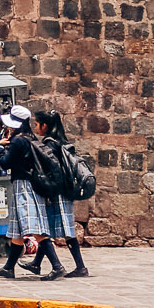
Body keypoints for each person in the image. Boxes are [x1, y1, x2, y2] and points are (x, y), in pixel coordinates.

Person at [0, 106, 66, 281]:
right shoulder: (29, 139)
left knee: (34, 227)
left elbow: (6, 163)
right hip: (27, 184)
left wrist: (0, 149)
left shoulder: (18, 141)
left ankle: (57, 266)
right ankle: (9, 268)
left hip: (23, 186)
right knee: (17, 229)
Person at [30, 110, 90, 278]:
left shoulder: (50, 144)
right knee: (47, 228)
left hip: (59, 192)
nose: (36, 128)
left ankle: (80, 267)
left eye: (37, 124)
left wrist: (50, 190)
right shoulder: (61, 141)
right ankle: (36, 263)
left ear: (45, 126)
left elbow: (54, 171)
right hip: (64, 191)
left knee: (66, 229)